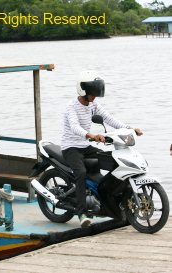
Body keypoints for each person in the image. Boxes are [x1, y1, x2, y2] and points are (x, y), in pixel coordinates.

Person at [61, 70, 143, 228]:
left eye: (96, 92)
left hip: (85, 146)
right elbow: (74, 127)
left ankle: (109, 198)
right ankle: (82, 213)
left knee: (114, 161)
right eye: (92, 92)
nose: (94, 96)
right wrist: (91, 135)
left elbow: (109, 118)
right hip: (71, 147)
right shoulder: (71, 107)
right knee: (81, 173)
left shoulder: (93, 105)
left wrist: (130, 128)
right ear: (83, 90)